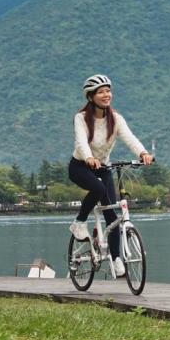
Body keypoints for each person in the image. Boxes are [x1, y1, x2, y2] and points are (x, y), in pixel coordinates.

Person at [68, 74, 153, 277]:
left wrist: (142, 153)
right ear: (90, 97)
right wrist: (88, 158)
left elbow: (129, 137)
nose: (106, 95)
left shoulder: (116, 119)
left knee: (112, 216)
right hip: (80, 166)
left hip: (103, 167)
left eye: (108, 90)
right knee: (98, 189)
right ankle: (78, 223)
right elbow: (81, 142)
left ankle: (116, 258)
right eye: (101, 92)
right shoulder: (80, 118)